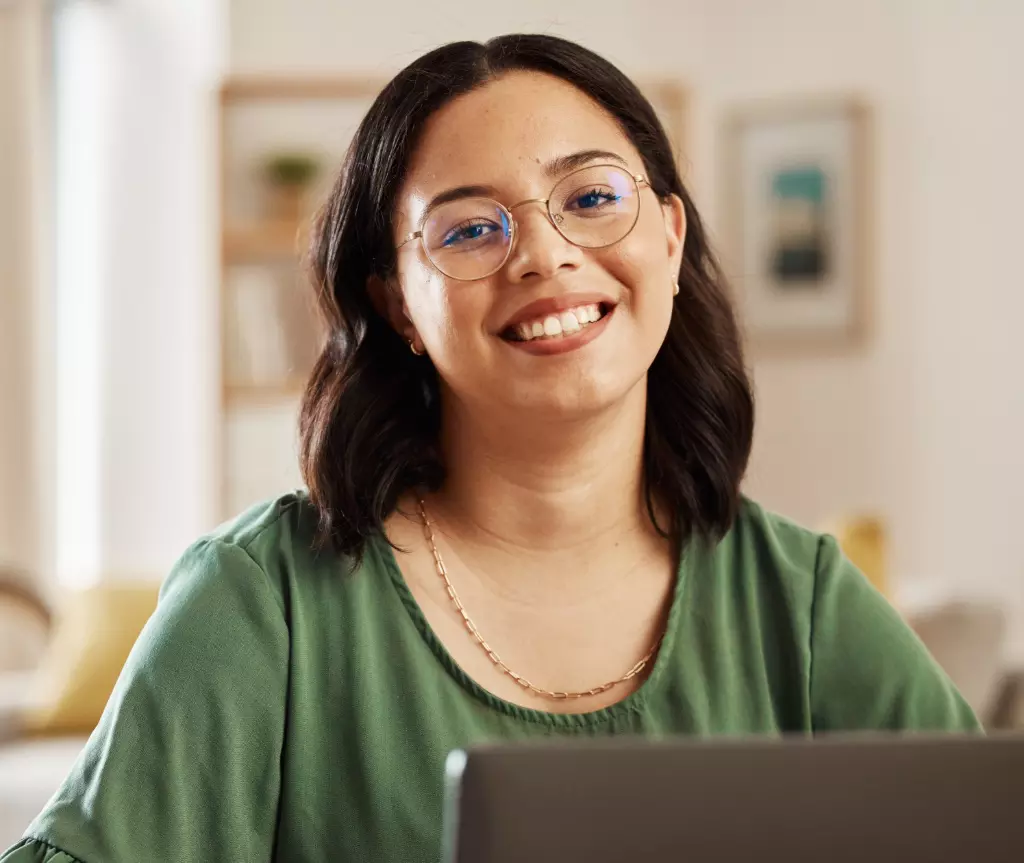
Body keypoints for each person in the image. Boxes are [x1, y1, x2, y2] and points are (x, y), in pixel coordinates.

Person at [2, 33, 977, 863]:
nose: (544, 255)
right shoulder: (262, 603)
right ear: (398, 307)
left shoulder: (799, 603)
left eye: (590, 198)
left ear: (670, 241)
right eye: (470, 228)